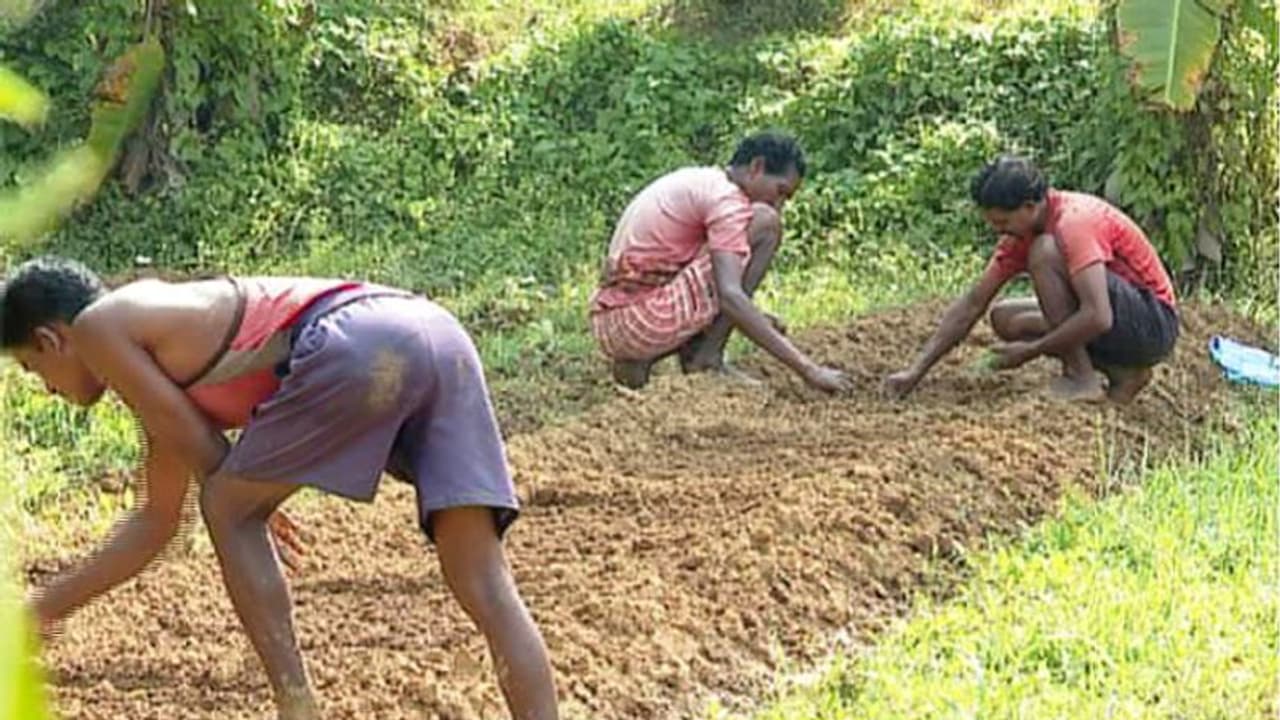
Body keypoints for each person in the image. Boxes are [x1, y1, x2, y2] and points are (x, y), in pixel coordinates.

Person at [5, 257, 558, 720]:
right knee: (483, 580)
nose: (47, 390)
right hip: (436, 333)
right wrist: (34, 618)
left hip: (359, 338)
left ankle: (297, 707)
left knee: (226, 507)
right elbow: (157, 524)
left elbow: (212, 469)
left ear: (53, 339)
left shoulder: (102, 326)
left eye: (33, 370)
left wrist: (249, 504)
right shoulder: (146, 349)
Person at [884, 155, 1179, 404]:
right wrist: (916, 371)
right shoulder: (1021, 234)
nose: (1000, 231)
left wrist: (1030, 351)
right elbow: (974, 303)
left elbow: (1098, 316)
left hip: (1152, 323)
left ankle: (1081, 376)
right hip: (1119, 319)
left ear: (1029, 206)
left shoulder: (1074, 222)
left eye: (1003, 222)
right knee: (1006, 319)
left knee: (1044, 252)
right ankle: (1123, 373)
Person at [589, 131, 852, 393]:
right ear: (756, 167)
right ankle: (707, 359)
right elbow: (729, 296)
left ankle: (643, 361)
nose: (778, 205)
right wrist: (809, 370)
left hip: (616, 322)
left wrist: (754, 316)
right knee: (765, 223)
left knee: (729, 264)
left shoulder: (703, 181)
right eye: (779, 191)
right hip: (638, 321)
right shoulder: (727, 200)